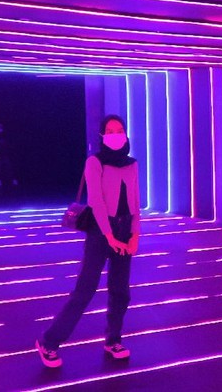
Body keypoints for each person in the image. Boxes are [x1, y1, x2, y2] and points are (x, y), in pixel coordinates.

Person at [36, 115, 141, 368]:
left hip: (125, 229)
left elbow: (136, 201)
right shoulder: (95, 161)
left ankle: (113, 340)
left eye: (119, 130)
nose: (115, 134)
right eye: (110, 131)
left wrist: (135, 234)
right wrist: (109, 236)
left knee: (121, 291)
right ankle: (49, 342)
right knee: (85, 290)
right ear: (102, 135)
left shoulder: (132, 164)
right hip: (100, 231)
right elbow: (96, 202)